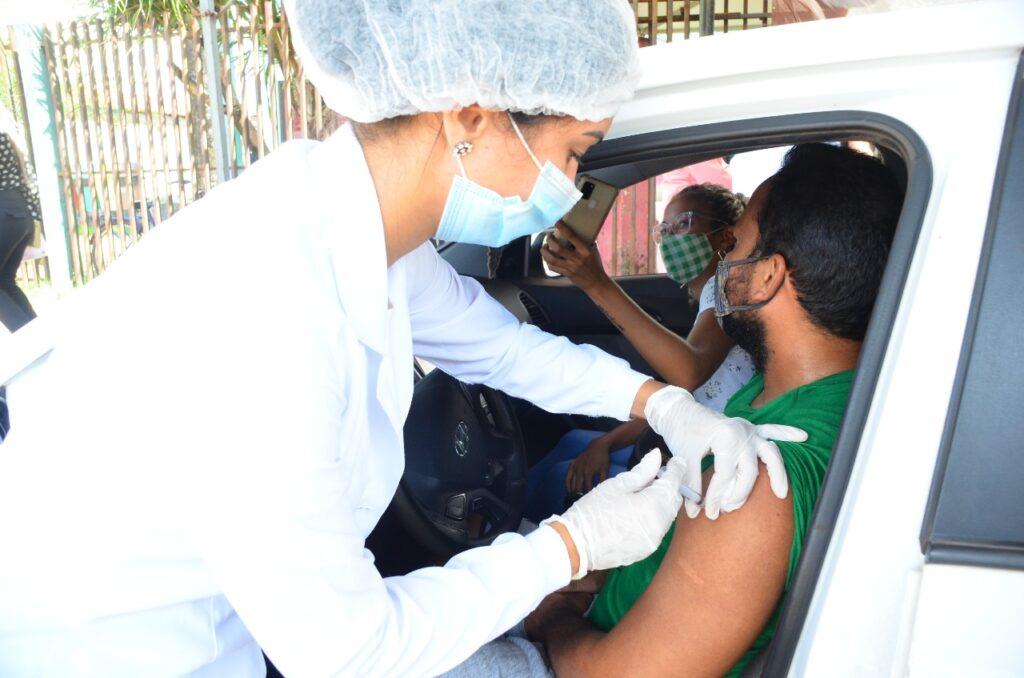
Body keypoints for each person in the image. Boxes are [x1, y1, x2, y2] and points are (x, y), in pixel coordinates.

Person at [0, 2, 804, 676]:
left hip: (237, 622)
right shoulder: (264, 311)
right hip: (123, 648)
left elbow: (502, 349)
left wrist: (665, 404)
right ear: (470, 119)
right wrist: (569, 545)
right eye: (572, 155)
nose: (566, 188)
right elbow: (347, 652)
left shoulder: (353, 226)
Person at [449, 143, 902, 677]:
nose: (722, 261)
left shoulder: (752, 481)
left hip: (575, 650)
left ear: (768, 276)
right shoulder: (811, 393)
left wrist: (554, 615)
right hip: (605, 597)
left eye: (734, 243)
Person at [526, 184, 752, 523]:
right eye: (665, 229)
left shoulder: (727, 288)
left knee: (558, 477)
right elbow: (681, 393)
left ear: (724, 237)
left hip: (707, 453)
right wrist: (605, 443)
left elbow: (687, 374)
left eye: (684, 224)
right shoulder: (711, 293)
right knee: (576, 441)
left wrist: (595, 282)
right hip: (688, 431)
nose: (671, 237)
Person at [0, 130, 40, 331]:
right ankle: (37, 333)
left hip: (4, 213)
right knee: (4, 282)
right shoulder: (5, 138)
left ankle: (30, 342)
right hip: (19, 212)